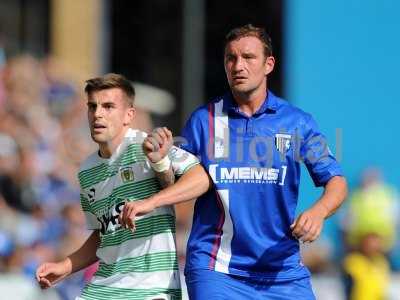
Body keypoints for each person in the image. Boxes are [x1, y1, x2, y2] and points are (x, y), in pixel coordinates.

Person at [120, 24, 348, 299]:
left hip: (282, 272)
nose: (238, 65)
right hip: (217, 270)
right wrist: (160, 163)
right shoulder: (204, 121)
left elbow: (336, 182)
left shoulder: (298, 122)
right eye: (231, 58)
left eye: (248, 57)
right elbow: (179, 191)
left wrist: (318, 212)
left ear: (268, 64)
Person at [35, 73, 200, 300]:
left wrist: (152, 199)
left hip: (150, 289)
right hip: (104, 287)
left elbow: (201, 178)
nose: (98, 114)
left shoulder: (147, 146)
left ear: (128, 115)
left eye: (108, 106)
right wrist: (65, 266)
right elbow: (104, 234)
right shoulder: (87, 171)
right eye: (92, 107)